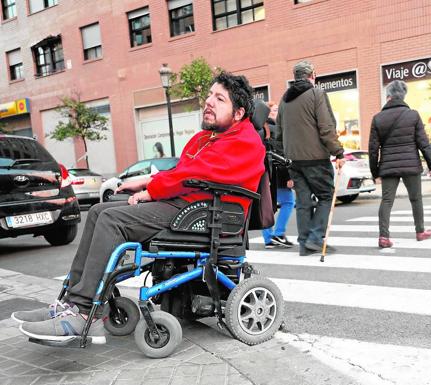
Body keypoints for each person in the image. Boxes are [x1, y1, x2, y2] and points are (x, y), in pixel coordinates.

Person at [12, 72, 266, 344]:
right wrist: (144, 181)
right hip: (186, 207)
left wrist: (150, 190)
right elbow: (183, 171)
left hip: (205, 216)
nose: (209, 102)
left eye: (219, 99)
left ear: (238, 113)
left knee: (112, 221)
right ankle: (68, 301)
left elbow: (194, 176)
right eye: (209, 96)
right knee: (99, 211)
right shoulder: (207, 138)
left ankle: (83, 312)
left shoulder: (246, 143)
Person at [275, 60, 345, 256]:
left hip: (293, 160)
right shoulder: (316, 94)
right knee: (326, 196)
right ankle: (315, 237)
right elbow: (326, 127)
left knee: (304, 201)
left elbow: (279, 134)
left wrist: (285, 155)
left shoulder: (284, 100)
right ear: (312, 75)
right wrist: (338, 151)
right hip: (315, 158)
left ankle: (305, 243)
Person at [368, 80, 431, 249]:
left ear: (388, 97)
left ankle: (383, 237)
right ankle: (420, 232)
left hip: (388, 166)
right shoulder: (413, 115)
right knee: (416, 199)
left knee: (386, 201)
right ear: (403, 95)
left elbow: (372, 149)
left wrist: (375, 172)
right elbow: (423, 143)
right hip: (411, 164)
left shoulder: (377, 118)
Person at [262, 101, 295, 248]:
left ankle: (269, 238)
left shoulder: (262, 129)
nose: (277, 112)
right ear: (268, 113)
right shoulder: (275, 129)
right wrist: (289, 176)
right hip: (278, 174)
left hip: (265, 174)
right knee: (288, 201)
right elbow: (281, 154)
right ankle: (278, 233)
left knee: (267, 205)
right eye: (275, 110)